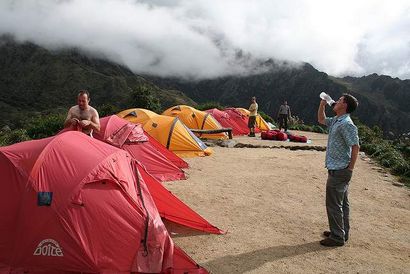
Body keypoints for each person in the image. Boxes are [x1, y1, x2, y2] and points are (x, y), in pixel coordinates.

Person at [317, 93, 360, 247]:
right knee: (342, 203)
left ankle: (337, 237)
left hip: (340, 170)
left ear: (345, 106)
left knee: (334, 204)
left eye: (340, 100)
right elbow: (321, 120)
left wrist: (350, 169)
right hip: (338, 168)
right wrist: (322, 105)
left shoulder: (346, 124)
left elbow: (355, 146)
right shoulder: (336, 120)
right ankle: (342, 232)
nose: (336, 101)